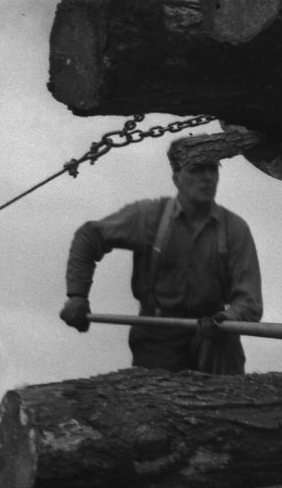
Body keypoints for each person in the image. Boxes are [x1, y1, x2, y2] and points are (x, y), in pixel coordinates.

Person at [62, 133, 262, 370]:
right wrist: (77, 296)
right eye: (197, 169)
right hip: (157, 336)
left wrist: (226, 319)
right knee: (154, 388)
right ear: (176, 178)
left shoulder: (235, 229)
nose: (208, 178)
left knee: (225, 351)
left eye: (213, 169)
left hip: (212, 336)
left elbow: (249, 301)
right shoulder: (150, 216)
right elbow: (89, 236)